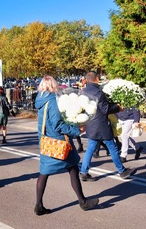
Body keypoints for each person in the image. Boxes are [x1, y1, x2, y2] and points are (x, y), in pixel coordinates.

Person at [34, 75, 99, 215]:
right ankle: (83, 202)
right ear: (53, 85)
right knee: (73, 168)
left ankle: (39, 205)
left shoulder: (40, 99)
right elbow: (58, 125)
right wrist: (76, 130)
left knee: (44, 173)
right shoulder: (52, 100)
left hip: (46, 142)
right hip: (58, 142)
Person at [79, 71, 137, 181]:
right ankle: (122, 171)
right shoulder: (99, 92)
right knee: (112, 148)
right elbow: (105, 109)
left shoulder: (83, 91)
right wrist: (117, 107)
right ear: (96, 79)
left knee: (90, 148)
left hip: (90, 123)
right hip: (101, 124)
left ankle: (83, 172)